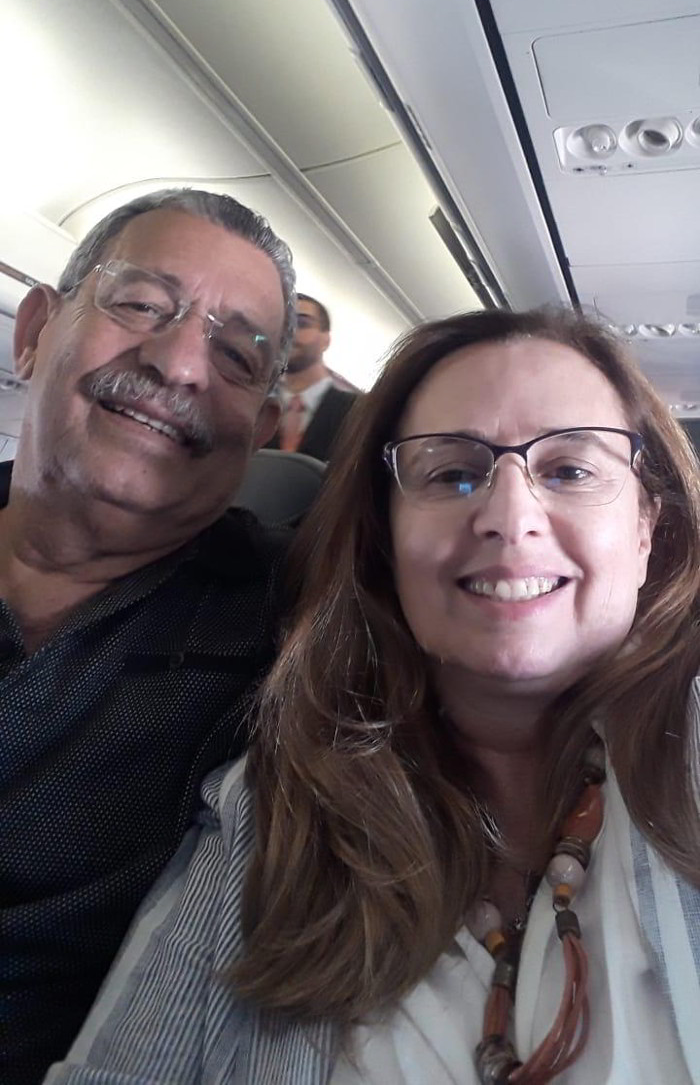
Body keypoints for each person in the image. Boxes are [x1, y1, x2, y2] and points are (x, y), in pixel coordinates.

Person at [46, 308, 700, 1085]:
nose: (510, 517)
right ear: (385, 540)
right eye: (451, 473)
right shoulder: (272, 811)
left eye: (569, 471)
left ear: (646, 530)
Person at [1, 187, 298, 1085]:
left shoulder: (294, 632)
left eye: (237, 354)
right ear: (33, 332)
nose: (178, 364)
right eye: (139, 305)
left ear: (262, 432)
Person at [269, 293, 357, 461]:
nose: (289, 332)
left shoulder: (355, 411)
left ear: (326, 340)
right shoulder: (258, 404)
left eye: (302, 323)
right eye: (283, 324)